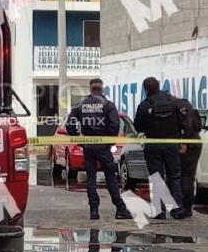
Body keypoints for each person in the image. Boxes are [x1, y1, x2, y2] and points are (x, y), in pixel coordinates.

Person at [66, 78, 133, 221]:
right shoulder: (108, 104)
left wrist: (79, 139)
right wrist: (109, 141)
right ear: (101, 89)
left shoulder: (81, 105)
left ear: (90, 89)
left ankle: (94, 211)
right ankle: (120, 208)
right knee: (110, 178)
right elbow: (115, 125)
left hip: (88, 146)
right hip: (103, 146)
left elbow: (70, 125)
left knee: (91, 178)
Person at [133, 77, 185, 220]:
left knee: (157, 177)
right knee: (174, 176)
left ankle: (159, 211)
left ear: (145, 89)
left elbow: (138, 126)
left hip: (153, 145)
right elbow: (182, 120)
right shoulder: (173, 101)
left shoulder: (144, 105)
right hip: (172, 144)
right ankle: (178, 210)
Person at [176, 97, 203, 218]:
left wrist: (184, 143)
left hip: (188, 145)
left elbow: (187, 127)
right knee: (189, 177)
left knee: (185, 177)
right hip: (195, 143)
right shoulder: (190, 109)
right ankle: (185, 207)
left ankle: (185, 208)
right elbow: (199, 126)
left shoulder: (180, 110)